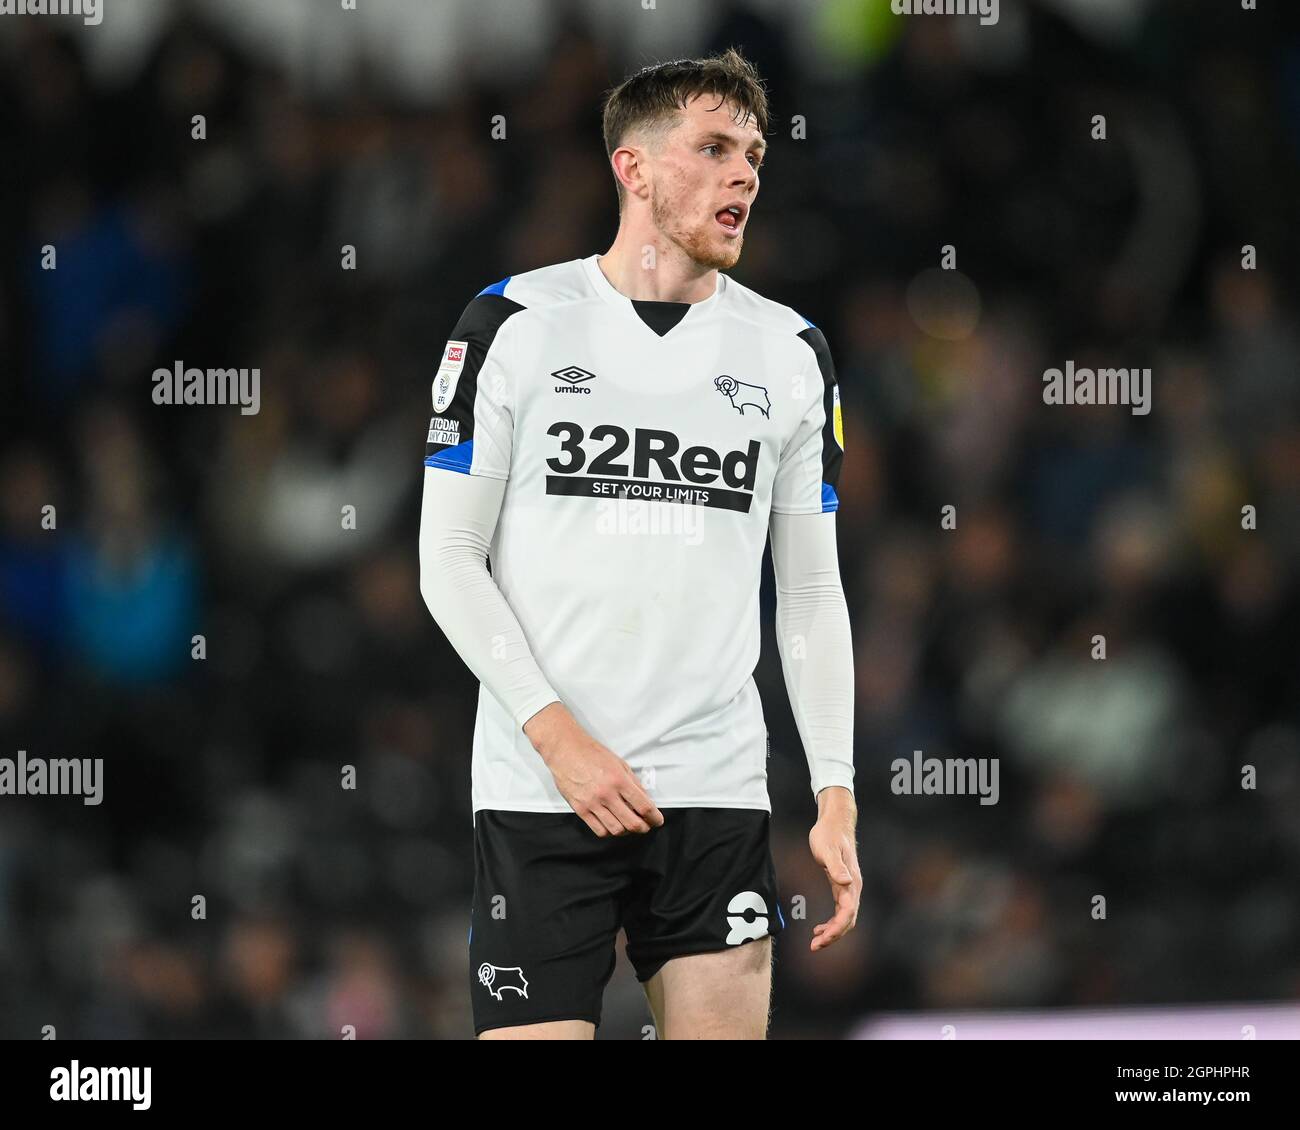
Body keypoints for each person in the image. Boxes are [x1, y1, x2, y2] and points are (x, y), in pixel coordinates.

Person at [419, 47, 860, 1040]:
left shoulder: (791, 353)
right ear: (634, 168)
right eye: (712, 148)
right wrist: (557, 734)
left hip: (713, 791)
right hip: (541, 788)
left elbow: (810, 593)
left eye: (753, 152)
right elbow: (449, 556)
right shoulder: (513, 324)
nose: (744, 171)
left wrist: (834, 788)